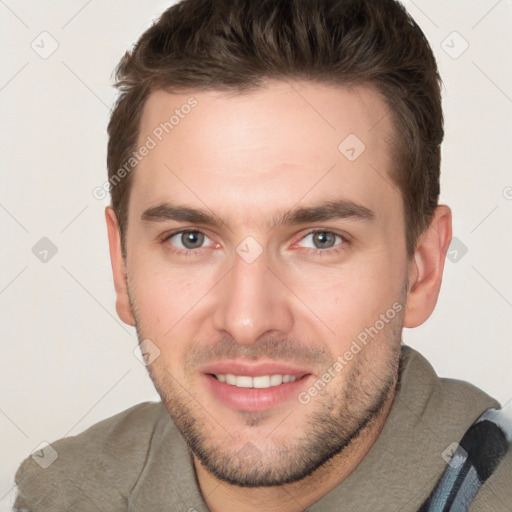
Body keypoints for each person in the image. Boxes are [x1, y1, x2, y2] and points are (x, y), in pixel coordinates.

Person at [13, 0, 511, 510]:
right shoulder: (63, 493)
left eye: (321, 239)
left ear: (421, 269)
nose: (247, 320)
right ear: (122, 267)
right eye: (191, 239)